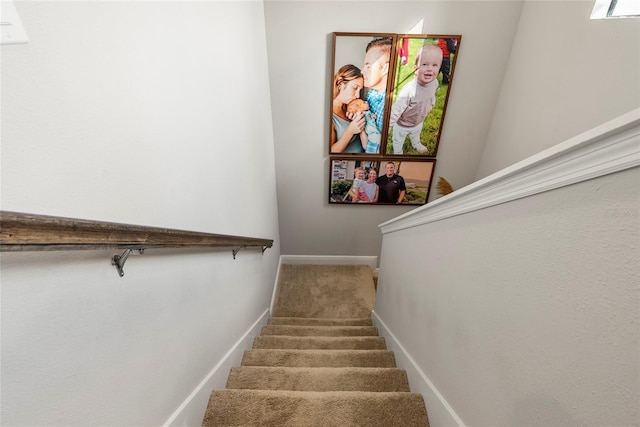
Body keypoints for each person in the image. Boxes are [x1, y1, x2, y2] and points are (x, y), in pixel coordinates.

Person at [388, 44, 443, 155]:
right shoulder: (409, 90)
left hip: (418, 121)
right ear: (415, 68)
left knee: (415, 135)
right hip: (403, 124)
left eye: (434, 65)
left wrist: (432, 104)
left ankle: (416, 143)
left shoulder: (434, 83)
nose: (429, 68)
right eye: (424, 64)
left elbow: (432, 96)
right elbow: (396, 111)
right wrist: (387, 127)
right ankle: (398, 152)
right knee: (398, 141)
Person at [331, 65, 367, 153]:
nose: (358, 95)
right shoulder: (329, 117)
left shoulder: (351, 105)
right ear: (340, 84)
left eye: (360, 90)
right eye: (355, 88)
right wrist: (350, 131)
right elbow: (330, 152)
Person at [361, 37, 393, 133]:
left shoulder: (391, 105)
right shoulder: (371, 93)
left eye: (368, 66)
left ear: (385, 69)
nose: (362, 71)